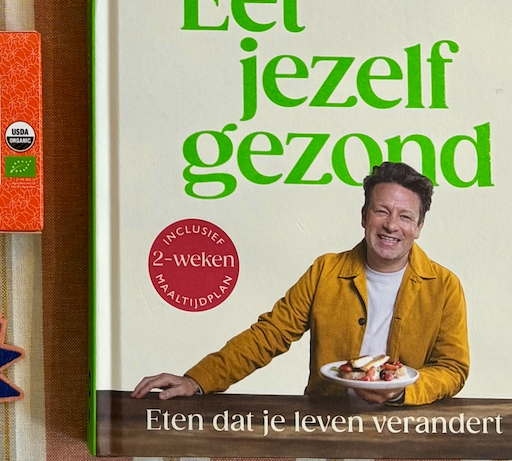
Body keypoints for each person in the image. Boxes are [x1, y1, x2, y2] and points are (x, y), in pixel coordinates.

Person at [133, 162, 468, 406]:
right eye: (381, 211)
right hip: (326, 424)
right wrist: (197, 379)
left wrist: (400, 392)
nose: (391, 225)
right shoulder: (326, 271)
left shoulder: (444, 286)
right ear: (364, 216)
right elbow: (269, 335)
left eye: (405, 216)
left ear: (419, 227)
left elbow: (452, 368)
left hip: (405, 427)